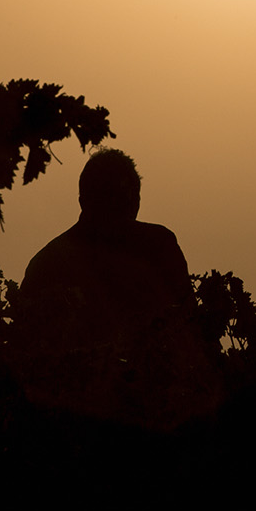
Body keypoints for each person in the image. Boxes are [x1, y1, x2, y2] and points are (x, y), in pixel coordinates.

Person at [17, 148, 217, 424]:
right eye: (118, 198)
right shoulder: (157, 246)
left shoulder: (47, 262)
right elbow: (189, 330)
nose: (126, 207)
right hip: (136, 417)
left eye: (127, 198)